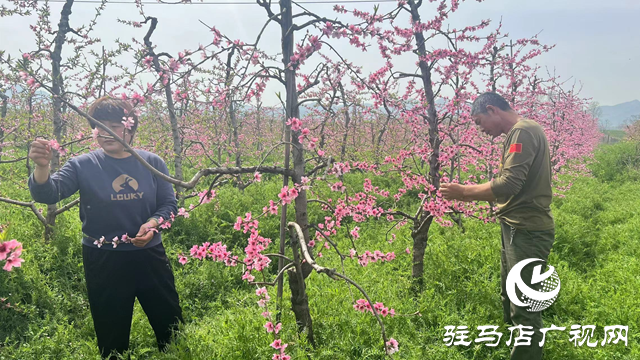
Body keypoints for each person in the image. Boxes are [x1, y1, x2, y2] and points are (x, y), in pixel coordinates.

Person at [28, 96, 184, 359]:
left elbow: (169, 204)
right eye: (100, 125)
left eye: (115, 124)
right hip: (103, 259)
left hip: (150, 256)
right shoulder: (83, 165)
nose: (106, 132)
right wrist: (42, 168)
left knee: (170, 325)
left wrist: (153, 224)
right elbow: (49, 194)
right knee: (111, 333)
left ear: (131, 127)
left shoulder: (152, 162)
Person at [440, 92, 555, 360]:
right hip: (517, 227)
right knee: (510, 294)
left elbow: (509, 184)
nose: (480, 130)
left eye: (480, 122)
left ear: (493, 110)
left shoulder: (522, 132)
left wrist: (463, 192)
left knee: (524, 303)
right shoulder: (524, 131)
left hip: (527, 230)